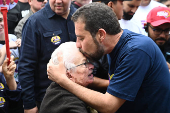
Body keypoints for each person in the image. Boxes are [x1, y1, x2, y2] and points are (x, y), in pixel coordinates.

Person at [47, 3, 170, 113]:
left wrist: (62, 80)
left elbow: (109, 106)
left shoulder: (136, 50)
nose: (78, 44)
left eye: (82, 38)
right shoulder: (116, 46)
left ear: (101, 35)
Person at [18, 0, 77, 113]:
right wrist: (29, 104)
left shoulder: (81, 17)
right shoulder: (35, 22)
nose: (58, 1)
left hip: (79, 95)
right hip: (47, 100)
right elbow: (26, 66)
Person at [39, 42, 96, 113]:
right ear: (69, 74)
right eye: (84, 63)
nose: (92, 66)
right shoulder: (69, 104)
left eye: (89, 61)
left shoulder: (57, 90)